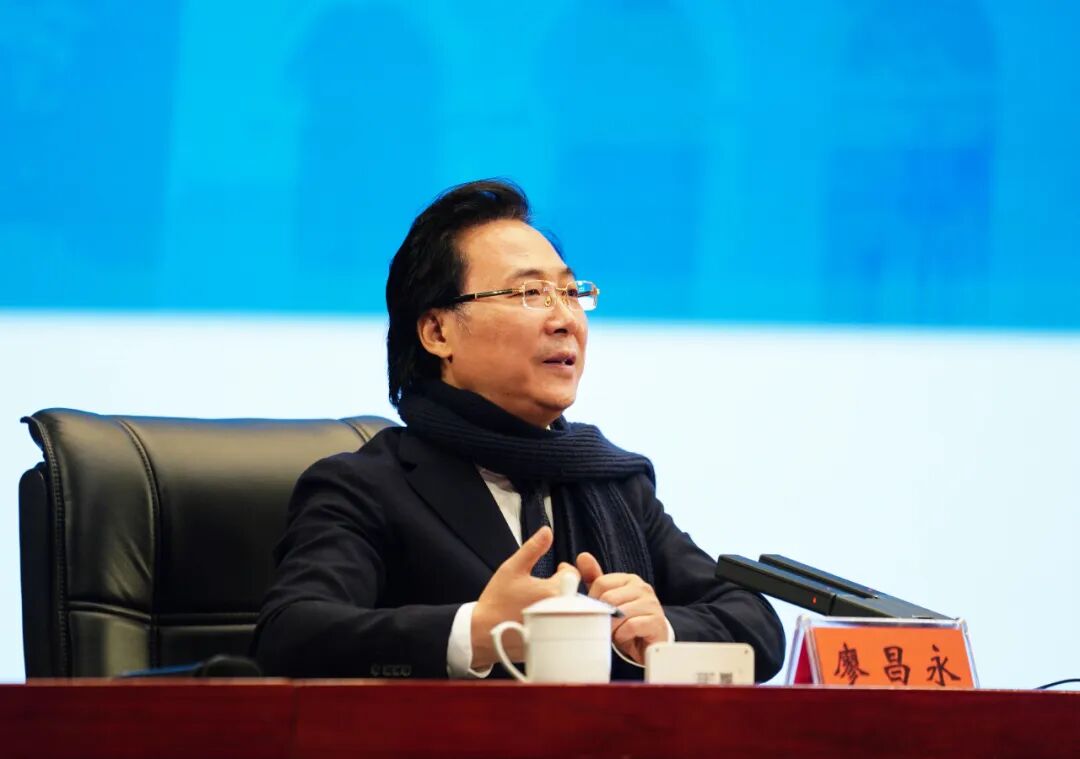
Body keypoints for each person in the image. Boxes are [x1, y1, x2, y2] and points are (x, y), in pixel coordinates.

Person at [253, 179, 785, 680]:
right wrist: (476, 631)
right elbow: (292, 634)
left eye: (571, 293)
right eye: (530, 293)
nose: (565, 319)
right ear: (437, 332)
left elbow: (755, 625)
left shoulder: (609, 481)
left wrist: (662, 631)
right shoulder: (367, 486)